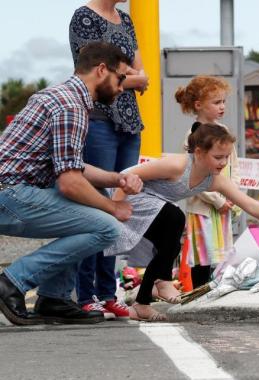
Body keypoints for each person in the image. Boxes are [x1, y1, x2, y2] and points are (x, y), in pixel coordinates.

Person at [0, 42, 143, 326]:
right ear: (102, 70)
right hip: (10, 196)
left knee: (94, 201)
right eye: (121, 78)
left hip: (13, 192)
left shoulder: (59, 96)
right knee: (106, 226)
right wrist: (114, 207)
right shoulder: (71, 107)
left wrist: (116, 178)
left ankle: (54, 299)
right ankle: (11, 283)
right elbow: (69, 184)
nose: (122, 87)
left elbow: (71, 167)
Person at [106, 123, 259, 321]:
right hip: (124, 196)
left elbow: (251, 205)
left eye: (227, 157)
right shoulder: (178, 165)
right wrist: (114, 208)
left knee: (170, 245)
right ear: (199, 153)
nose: (223, 163)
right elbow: (127, 176)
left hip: (152, 205)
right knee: (174, 218)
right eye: (218, 157)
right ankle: (162, 282)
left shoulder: (213, 180)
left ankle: (143, 302)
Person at [69, 0, 149, 319]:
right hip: (100, 119)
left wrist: (130, 76)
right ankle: (85, 293)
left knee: (121, 206)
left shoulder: (125, 20)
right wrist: (131, 78)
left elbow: (137, 71)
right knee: (96, 202)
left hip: (129, 121)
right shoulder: (84, 17)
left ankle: (107, 290)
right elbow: (94, 74)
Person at [175, 76, 240, 288]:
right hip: (202, 207)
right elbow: (192, 174)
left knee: (222, 255)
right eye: (216, 102)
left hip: (224, 204)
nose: (222, 107)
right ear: (199, 105)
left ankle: (218, 292)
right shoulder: (192, 135)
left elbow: (235, 165)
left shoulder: (225, 132)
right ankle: (199, 293)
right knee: (202, 255)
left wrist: (233, 194)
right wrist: (216, 200)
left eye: (223, 102)